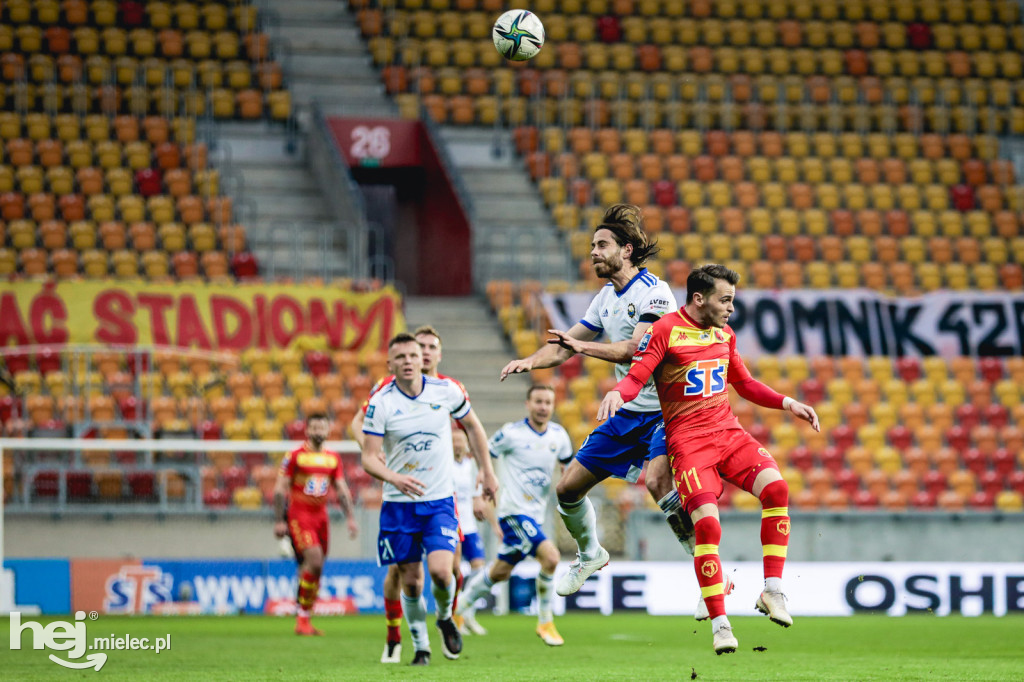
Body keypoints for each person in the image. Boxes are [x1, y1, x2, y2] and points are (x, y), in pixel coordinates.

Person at [596, 263, 820, 654]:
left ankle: (773, 591)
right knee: (708, 529)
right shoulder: (665, 330)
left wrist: (788, 403)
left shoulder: (724, 333)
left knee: (777, 488)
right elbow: (638, 374)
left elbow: (745, 384)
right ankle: (720, 624)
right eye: (726, 299)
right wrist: (620, 394)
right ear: (699, 299)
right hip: (689, 444)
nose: (731, 307)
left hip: (728, 434)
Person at [499, 204, 696, 596]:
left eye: (601, 244)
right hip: (629, 412)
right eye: (592, 245)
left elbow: (634, 350)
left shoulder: (654, 292)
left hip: (667, 409)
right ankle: (591, 553)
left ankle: (709, 571)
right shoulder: (605, 297)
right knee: (567, 489)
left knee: (658, 482)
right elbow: (563, 347)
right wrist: (530, 361)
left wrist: (579, 348)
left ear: (626, 250)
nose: (593, 252)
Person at [351, 325, 490, 662]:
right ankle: (417, 645)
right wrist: (391, 476)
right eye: (403, 356)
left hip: (439, 500)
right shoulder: (381, 399)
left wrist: (487, 471)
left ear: (431, 356)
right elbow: (367, 454)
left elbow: (472, 425)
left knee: (444, 571)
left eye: (417, 353)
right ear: (390, 363)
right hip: (399, 505)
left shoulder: (447, 391)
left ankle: (444, 619)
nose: (413, 359)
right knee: (409, 582)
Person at [457, 385, 574, 646]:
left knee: (499, 571)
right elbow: (484, 456)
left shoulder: (560, 435)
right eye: (538, 401)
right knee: (551, 557)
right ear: (528, 404)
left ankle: (458, 610)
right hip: (512, 512)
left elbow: (568, 469)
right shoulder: (511, 433)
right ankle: (545, 621)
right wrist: (479, 491)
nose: (543, 407)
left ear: (553, 406)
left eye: (547, 402)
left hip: (536, 515)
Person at [273, 413, 359, 636]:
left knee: (313, 569)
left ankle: (305, 618)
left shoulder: (333, 458)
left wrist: (350, 517)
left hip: (321, 516)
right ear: (307, 430)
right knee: (315, 561)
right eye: (315, 428)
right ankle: (302, 618)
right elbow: (280, 489)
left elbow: (341, 489)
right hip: (300, 514)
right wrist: (279, 520)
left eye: (323, 427)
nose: (319, 431)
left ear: (328, 431)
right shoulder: (295, 456)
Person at [449, 427, 492, 636]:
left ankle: (468, 615)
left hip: (470, 527)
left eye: (460, 441)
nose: (458, 444)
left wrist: (495, 525)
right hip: (451, 525)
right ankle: (452, 617)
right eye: (454, 440)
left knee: (478, 570)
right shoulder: (444, 466)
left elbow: (481, 499)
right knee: (455, 571)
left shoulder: (472, 466)